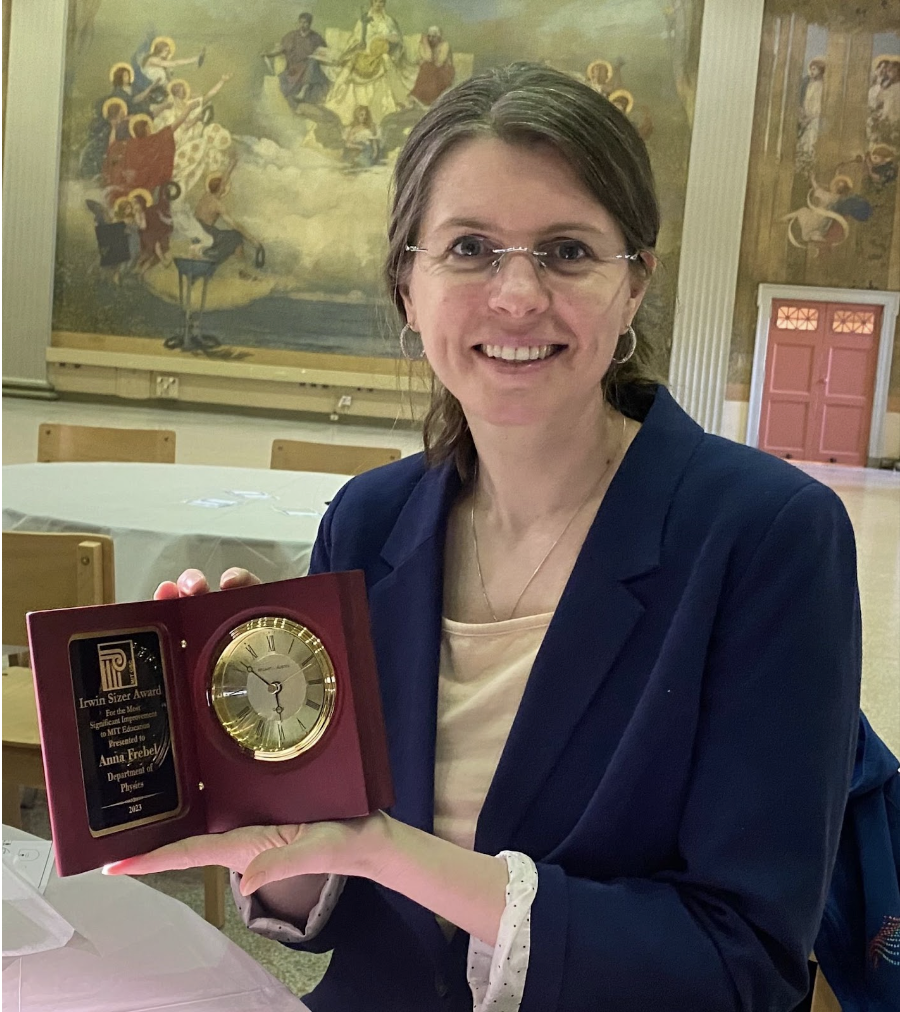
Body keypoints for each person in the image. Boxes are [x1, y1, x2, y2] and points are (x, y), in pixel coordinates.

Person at [106, 63, 862, 1012]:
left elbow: (743, 961)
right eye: (469, 248)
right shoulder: (368, 521)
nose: (516, 296)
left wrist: (389, 848)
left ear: (634, 290)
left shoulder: (765, 536)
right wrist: (258, 795)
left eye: (568, 251)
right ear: (407, 286)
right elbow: (338, 905)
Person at [264, 12, 331, 110]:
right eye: (301, 22)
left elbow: (325, 52)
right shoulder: (291, 36)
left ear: (310, 23)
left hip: (309, 67)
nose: (302, 25)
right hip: (294, 68)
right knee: (285, 80)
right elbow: (280, 49)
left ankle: (304, 89)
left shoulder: (316, 37)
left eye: (305, 23)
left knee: (312, 61)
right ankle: (296, 105)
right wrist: (269, 54)